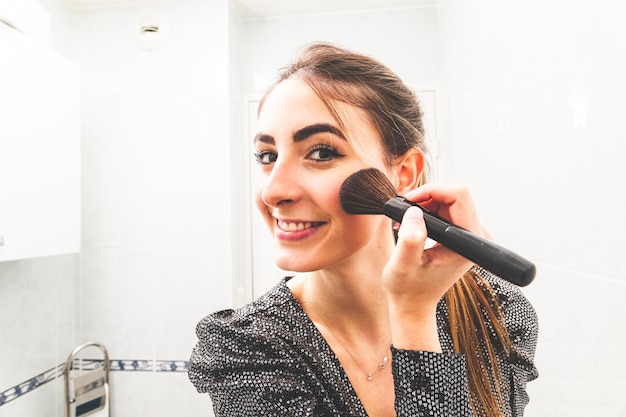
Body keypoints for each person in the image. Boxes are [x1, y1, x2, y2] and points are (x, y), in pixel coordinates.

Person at [189, 42, 538, 417]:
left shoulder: (494, 312)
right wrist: (413, 313)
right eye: (267, 156)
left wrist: (414, 314)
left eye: (322, 153)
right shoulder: (246, 347)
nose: (274, 191)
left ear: (403, 174)